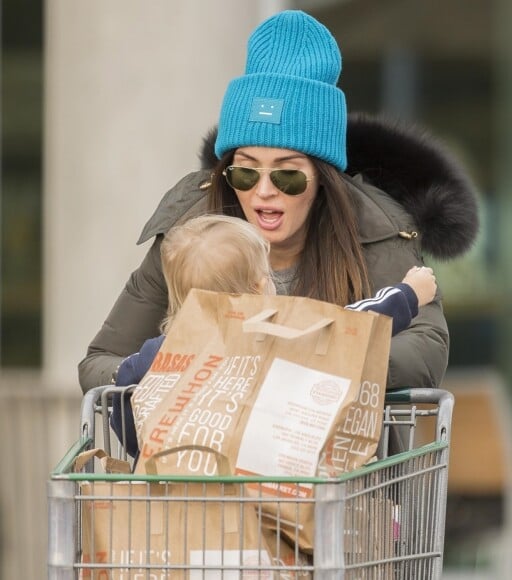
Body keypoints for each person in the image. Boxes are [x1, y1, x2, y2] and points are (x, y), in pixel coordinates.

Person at [79, 9, 479, 395]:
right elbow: (101, 362)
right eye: (245, 172)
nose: (263, 191)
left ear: (323, 179)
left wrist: (302, 361)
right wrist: (182, 361)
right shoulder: (191, 233)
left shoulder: (378, 231)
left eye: (286, 174)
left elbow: (426, 349)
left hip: (340, 460)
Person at [111, 213, 438, 457]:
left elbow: (126, 399)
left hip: (186, 506)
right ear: (258, 287)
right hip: (269, 506)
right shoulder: (273, 339)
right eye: (267, 273)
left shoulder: (156, 355)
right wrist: (408, 293)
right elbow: (349, 324)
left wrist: (143, 452)